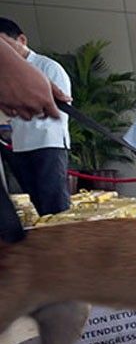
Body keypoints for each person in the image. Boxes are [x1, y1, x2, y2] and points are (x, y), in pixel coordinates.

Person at [0, 17, 71, 217]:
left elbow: (61, 106)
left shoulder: (48, 67)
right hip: (21, 145)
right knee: (36, 202)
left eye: (6, 46)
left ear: (22, 40)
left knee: (54, 201)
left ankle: (61, 243)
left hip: (48, 142)